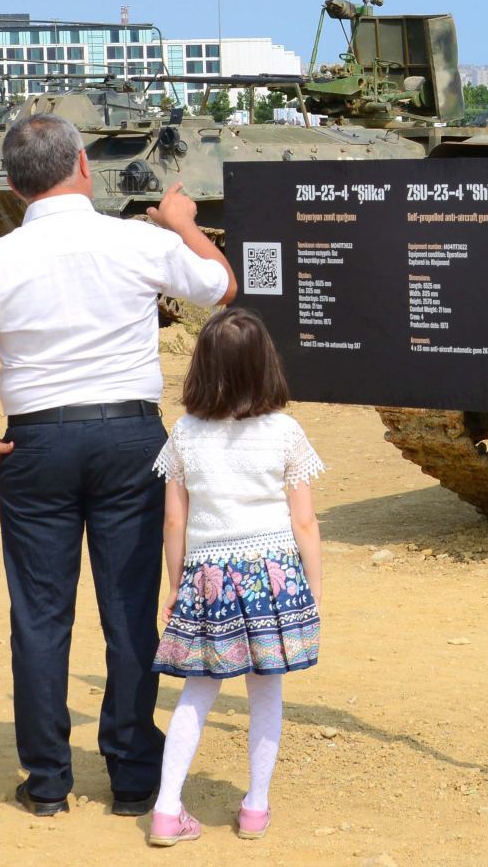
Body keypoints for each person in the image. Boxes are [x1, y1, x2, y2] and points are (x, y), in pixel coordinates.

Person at [0, 113, 234, 818]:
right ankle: (130, 776)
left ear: (12, 186)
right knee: (127, 612)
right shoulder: (133, 238)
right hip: (128, 437)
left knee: (39, 615)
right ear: (84, 165)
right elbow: (220, 287)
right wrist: (182, 221)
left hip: (37, 442)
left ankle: (48, 782)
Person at [144, 307, 323, 846]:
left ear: (202, 366)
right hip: (273, 577)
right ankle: (254, 808)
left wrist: (175, 586)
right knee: (267, 691)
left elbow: (174, 519)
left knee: (198, 691)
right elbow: (305, 521)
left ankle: (166, 810)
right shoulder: (285, 432)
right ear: (266, 365)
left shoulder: (185, 433)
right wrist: (312, 589)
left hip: (207, 577)